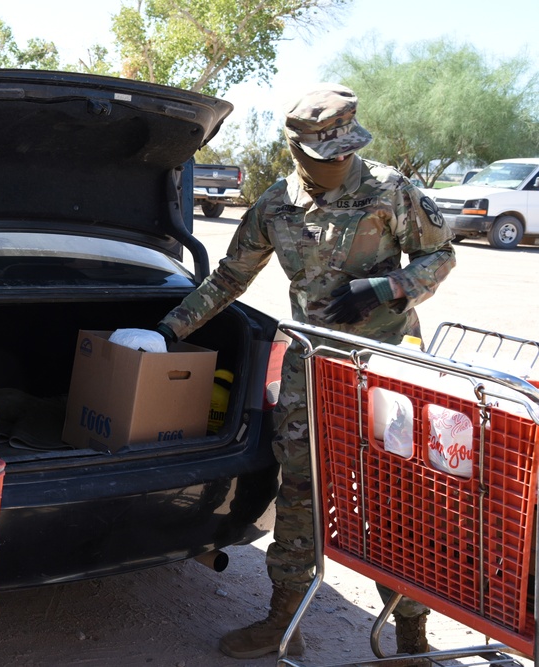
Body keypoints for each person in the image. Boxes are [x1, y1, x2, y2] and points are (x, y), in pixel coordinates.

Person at [150, 83, 455, 661]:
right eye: (327, 153)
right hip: (311, 370)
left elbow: (442, 254)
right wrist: (169, 330)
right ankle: (283, 621)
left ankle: (411, 633)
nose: (340, 160)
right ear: (297, 151)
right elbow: (227, 280)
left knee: (395, 498)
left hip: (384, 370)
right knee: (300, 493)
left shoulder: (391, 190)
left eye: (347, 149)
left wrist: (390, 286)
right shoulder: (275, 206)